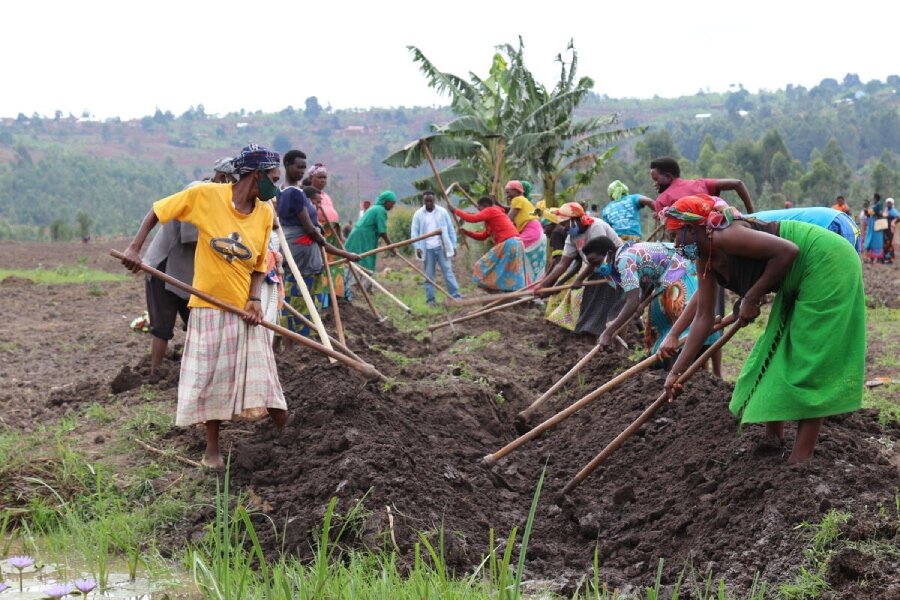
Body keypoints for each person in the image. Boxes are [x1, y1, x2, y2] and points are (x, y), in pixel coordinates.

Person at [119, 144, 291, 469]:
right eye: (273, 178)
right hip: (208, 307)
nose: (275, 185)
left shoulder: (265, 212)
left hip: (245, 310)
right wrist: (134, 248)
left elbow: (258, 263)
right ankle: (212, 452)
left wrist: (255, 299)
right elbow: (158, 210)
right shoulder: (206, 196)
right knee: (212, 378)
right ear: (255, 176)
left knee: (266, 377)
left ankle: (290, 440)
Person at [659, 195, 864, 464]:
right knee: (773, 347)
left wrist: (752, 297)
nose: (675, 244)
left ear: (695, 227)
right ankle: (772, 440)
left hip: (827, 261)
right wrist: (676, 372)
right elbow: (704, 317)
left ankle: (799, 460)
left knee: (810, 357)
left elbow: (787, 251)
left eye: (677, 236)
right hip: (798, 274)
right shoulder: (704, 259)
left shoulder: (725, 236)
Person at [278, 151, 359, 337]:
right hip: (302, 253)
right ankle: (297, 342)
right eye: (298, 167)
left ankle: (292, 341)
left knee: (294, 296)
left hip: (295, 250)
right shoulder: (295, 193)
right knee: (301, 297)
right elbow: (309, 228)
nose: (301, 171)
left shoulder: (282, 190)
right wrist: (322, 240)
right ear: (287, 165)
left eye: (303, 168)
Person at [535, 202, 624, 337]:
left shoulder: (596, 227)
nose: (563, 228)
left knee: (605, 303)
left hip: (614, 268)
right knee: (590, 300)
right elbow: (562, 265)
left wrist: (579, 279)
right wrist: (545, 286)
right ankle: (591, 331)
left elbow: (598, 259)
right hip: (598, 271)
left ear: (575, 220)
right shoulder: (572, 236)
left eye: (564, 224)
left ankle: (603, 333)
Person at [454, 197, 527, 291]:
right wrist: (467, 233)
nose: (479, 212)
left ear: (484, 206)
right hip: (516, 243)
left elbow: (472, 218)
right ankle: (508, 294)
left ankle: (498, 290)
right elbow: (483, 236)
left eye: (479, 209)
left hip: (509, 243)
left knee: (480, 266)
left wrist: (455, 210)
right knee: (509, 271)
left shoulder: (491, 210)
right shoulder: (493, 218)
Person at [650, 156, 755, 216]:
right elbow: (738, 184)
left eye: (656, 179)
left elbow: (671, 235)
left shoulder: (662, 201)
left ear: (668, 176)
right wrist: (751, 214)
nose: (655, 183)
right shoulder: (701, 183)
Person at [410, 191, 461, 305]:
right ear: (423, 201)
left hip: (442, 247)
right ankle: (430, 301)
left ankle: (456, 297)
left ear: (434, 200)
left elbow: (450, 229)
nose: (428, 203)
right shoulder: (418, 214)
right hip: (427, 249)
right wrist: (417, 247)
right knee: (429, 276)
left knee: (448, 272)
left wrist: (453, 245)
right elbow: (414, 232)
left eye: (430, 200)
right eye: (426, 201)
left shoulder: (442, 212)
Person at [344, 191, 397, 296]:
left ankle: (364, 288)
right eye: (392, 203)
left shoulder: (375, 208)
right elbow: (382, 231)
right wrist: (391, 246)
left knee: (364, 260)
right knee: (361, 260)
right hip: (362, 238)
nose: (392, 206)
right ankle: (355, 288)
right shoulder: (380, 210)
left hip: (363, 236)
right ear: (386, 202)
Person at [306, 164, 346, 302]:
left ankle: (334, 298)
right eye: (320, 177)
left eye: (325, 178)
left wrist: (339, 237)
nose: (323, 181)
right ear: (311, 177)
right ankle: (322, 300)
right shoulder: (307, 194)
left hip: (332, 234)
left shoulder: (326, 196)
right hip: (319, 234)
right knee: (322, 267)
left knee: (334, 266)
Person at [748, 206, 860, 251]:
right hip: (845, 221)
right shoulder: (750, 219)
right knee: (846, 277)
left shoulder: (740, 225)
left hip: (825, 224)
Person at [503, 180, 547, 283]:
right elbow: (508, 209)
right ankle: (528, 285)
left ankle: (510, 282)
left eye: (508, 192)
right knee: (526, 260)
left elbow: (508, 219)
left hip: (531, 230)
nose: (507, 196)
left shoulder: (517, 199)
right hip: (537, 230)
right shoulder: (524, 200)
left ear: (516, 191)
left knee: (512, 249)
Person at [864, 194, 886, 263]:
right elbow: (869, 214)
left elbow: (872, 213)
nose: (872, 198)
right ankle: (872, 257)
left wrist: (867, 211)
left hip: (876, 224)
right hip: (872, 223)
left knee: (877, 240)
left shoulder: (878, 205)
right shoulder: (875, 206)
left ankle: (877, 257)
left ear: (875, 198)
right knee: (873, 239)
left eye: (873, 197)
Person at [884, 197, 898, 264]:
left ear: (892, 204)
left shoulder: (893, 210)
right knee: (886, 243)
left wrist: (893, 222)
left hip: (890, 229)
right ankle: (886, 258)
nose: (888, 204)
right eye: (887, 203)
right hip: (885, 229)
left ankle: (891, 259)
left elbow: (898, 217)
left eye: (890, 203)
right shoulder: (886, 210)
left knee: (890, 243)